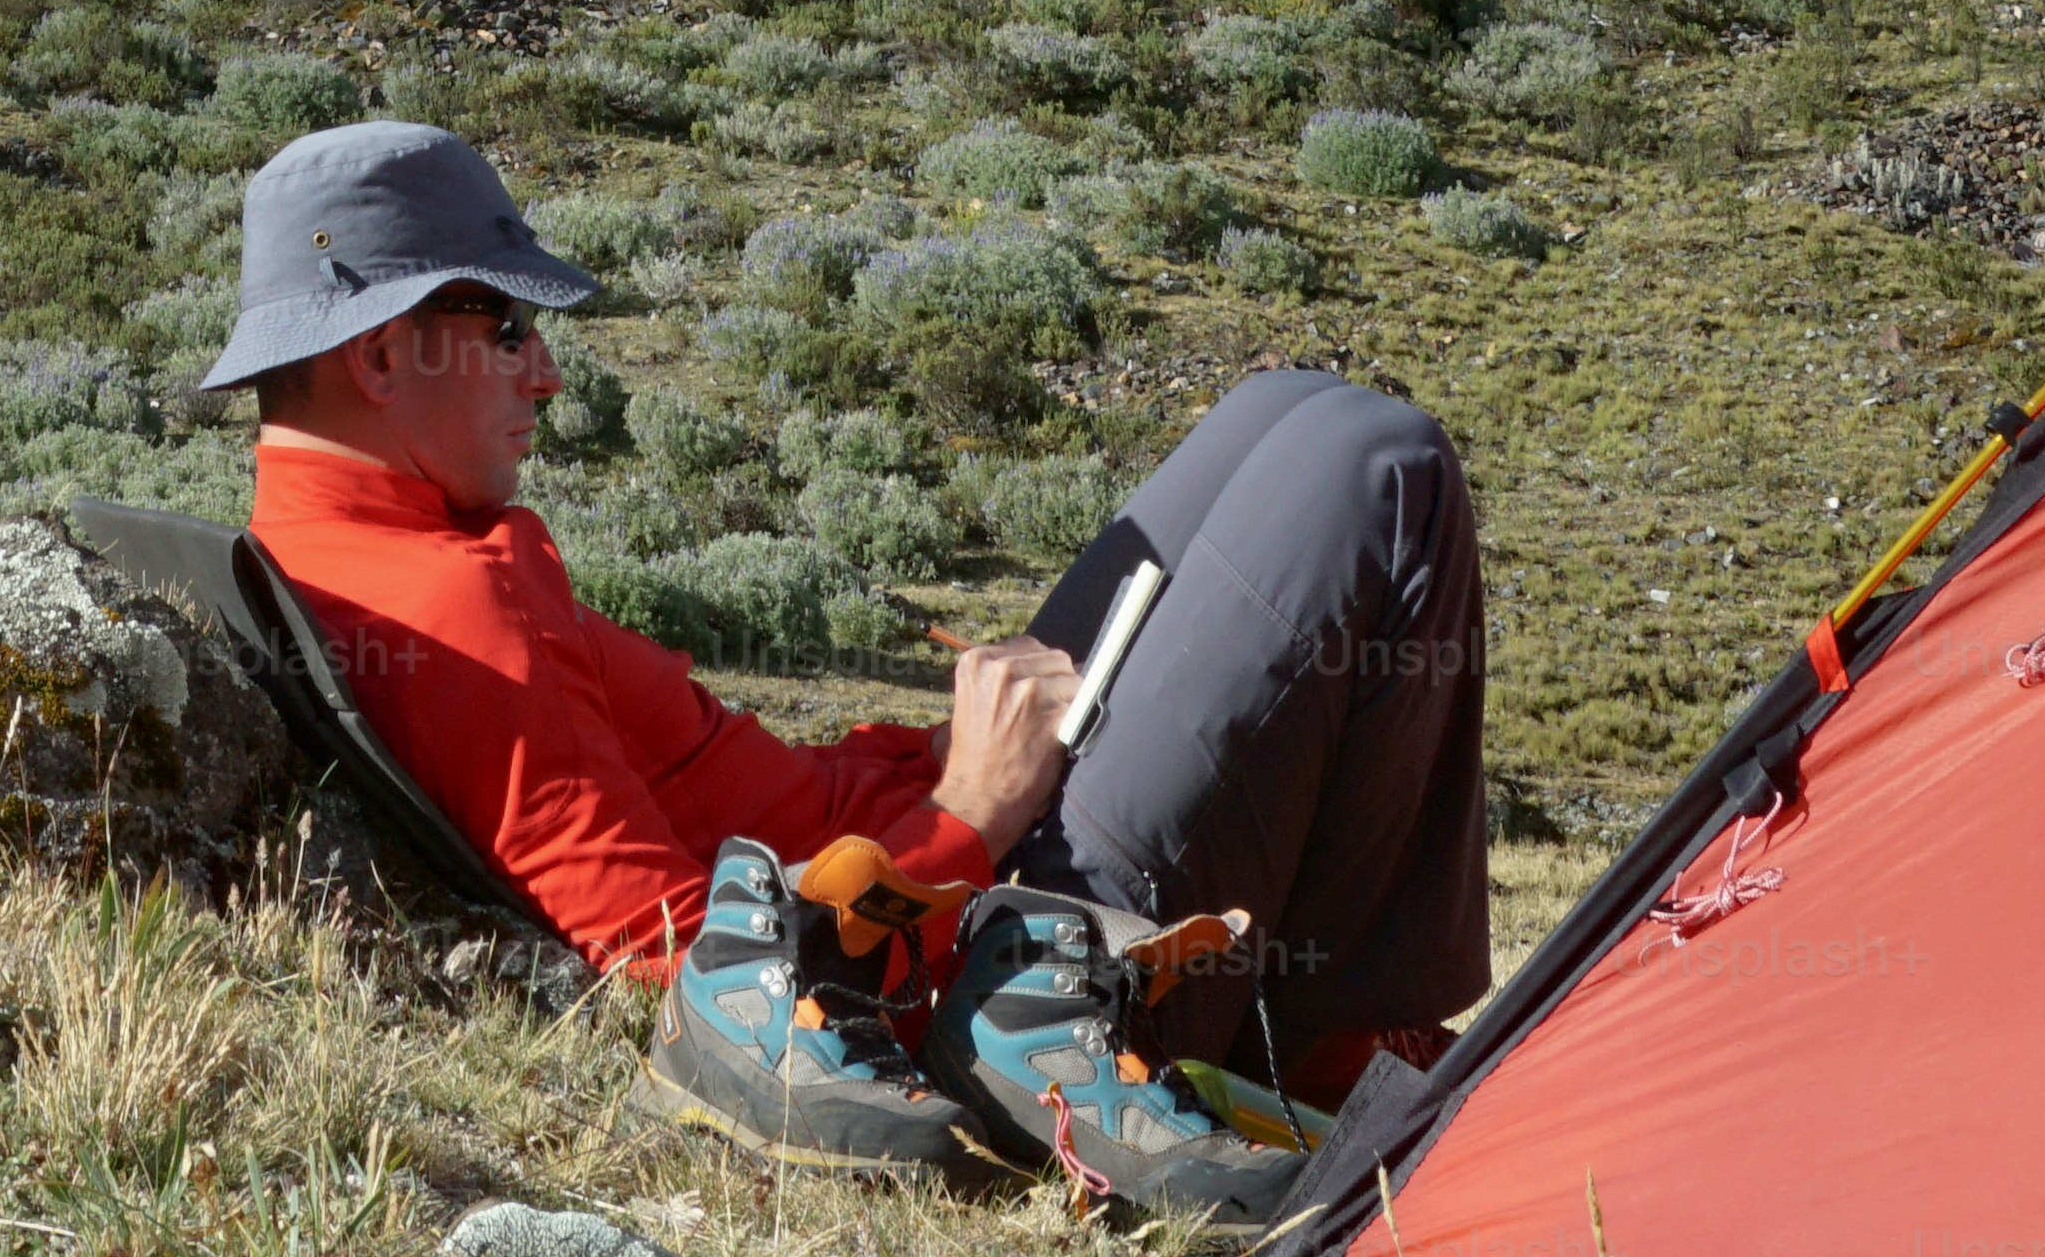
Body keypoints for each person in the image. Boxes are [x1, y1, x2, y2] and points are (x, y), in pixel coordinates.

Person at [212, 119, 1486, 1227]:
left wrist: (928, 767)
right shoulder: (447, 608)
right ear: (380, 357)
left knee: (1286, 408)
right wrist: (972, 807)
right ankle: (1319, 1059)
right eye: (505, 324)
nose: (544, 369)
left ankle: (1323, 1030)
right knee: (1379, 466)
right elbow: (698, 979)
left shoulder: (373, 551)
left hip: (937, 858)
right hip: (1000, 959)